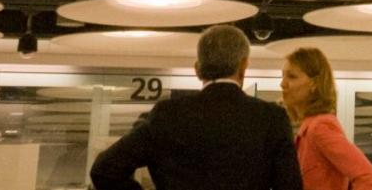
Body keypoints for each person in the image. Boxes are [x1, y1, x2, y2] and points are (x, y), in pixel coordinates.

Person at [90, 25, 303, 190]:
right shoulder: (272, 118)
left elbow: (105, 170)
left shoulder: (167, 115)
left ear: (197, 68)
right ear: (244, 64)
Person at [280, 47, 372, 190]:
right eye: (282, 76)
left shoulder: (320, 127)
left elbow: (368, 176)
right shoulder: (308, 129)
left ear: (314, 84)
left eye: (292, 76)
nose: (283, 84)